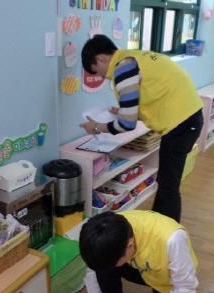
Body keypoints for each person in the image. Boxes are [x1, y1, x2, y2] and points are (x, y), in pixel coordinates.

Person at [80, 35, 204, 223]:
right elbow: (153, 94)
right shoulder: (133, 57)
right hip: (188, 118)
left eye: (97, 71)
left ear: (100, 58)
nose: (101, 76)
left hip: (180, 123)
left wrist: (96, 127)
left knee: (169, 187)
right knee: (165, 182)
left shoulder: (122, 68)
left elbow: (126, 124)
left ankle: (168, 235)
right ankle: (157, 225)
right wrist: (125, 111)